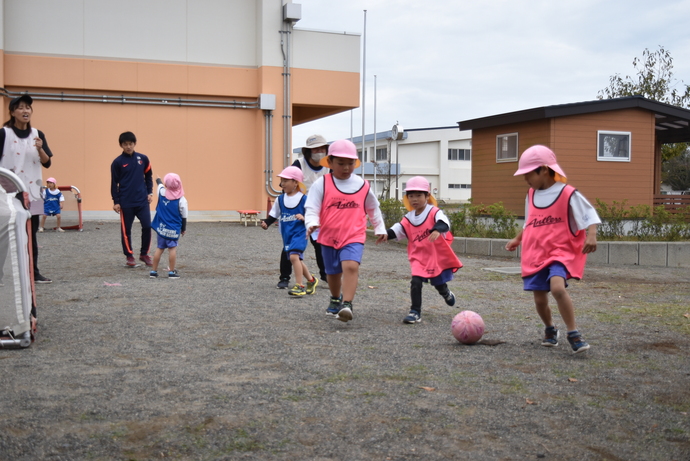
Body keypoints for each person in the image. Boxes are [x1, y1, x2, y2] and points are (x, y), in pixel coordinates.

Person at [505, 145, 600, 354]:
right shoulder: (530, 195)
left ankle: (573, 333)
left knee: (557, 288)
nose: (525, 179)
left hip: (559, 253)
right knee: (539, 299)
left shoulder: (568, 193)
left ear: (544, 170)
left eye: (528, 173)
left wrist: (591, 235)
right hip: (535, 253)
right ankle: (550, 329)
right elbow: (529, 223)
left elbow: (589, 214)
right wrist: (517, 239)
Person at [305, 139, 386, 322]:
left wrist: (380, 227)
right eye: (341, 163)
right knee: (332, 272)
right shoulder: (322, 184)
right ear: (330, 162)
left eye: (350, 163)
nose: (346, 167)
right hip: (328, 236)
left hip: (353, 235)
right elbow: (311, 208)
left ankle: (347, 304)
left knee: (350, 266)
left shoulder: (362, 185)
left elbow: (373, 208)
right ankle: (335, 298)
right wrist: (311, 223)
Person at [377, 176, 462, 324]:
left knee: (438, 283)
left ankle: (446, 292)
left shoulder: (434, 212)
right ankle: (415, 311)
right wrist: (385, 235)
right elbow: (398, 229)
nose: (414, 199)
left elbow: (444, 223)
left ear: (427, 196)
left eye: (418, 195)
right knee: (415, 282)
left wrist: (437, 230)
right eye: (411, 196)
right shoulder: (409, 217)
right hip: (418, 257)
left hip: (434, 256)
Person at [0, 94, 54, 284]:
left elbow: (47, 163)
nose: (25, 111)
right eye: (21, 107)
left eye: (28, 108)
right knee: (6, 233)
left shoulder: (38, 134)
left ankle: (33, 272)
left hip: (34, 194)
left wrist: (40, 148)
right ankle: (1, 273)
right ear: (13, 112)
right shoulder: (3, 134)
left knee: (31, 233)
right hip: (8, 193)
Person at [275, 134, 330, 289]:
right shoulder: (299, 164)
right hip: (298, 210)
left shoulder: (329, 165)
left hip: (319, 210)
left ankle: (325, 275)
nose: (319, 152)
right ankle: (284, 277)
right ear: (308, 151)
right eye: (315, 149)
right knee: (289, 246)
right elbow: (286, 183)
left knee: (319, 243)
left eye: (322, 148)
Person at [261, 166, 318, 296]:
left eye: (286, 180)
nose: (282, 183)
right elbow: (274, 214)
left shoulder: (304, 199)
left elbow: (312, 215)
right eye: (282, 180)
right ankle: (311, 280)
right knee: (297, 260)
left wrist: (304, 218)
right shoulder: (280, 199)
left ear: (296, 183)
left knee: (293, 257)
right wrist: (267, 223)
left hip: (300, 234)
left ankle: (300, 285)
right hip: (287, 235)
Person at [110, 131, 154, 267]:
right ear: (121, 145)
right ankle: (129, 256)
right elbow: (114, 183)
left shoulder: (143, 159)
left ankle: (144, 254)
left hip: (142, 201)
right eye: (125, 144)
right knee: (126, 230)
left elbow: (148, 176)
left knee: (147, 226)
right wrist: (116, 201)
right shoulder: (117, 162)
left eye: (130, 144)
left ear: (135, 144)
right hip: (126, 202)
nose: (128, 146)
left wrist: (150, 192)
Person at [149, 173, 187, 279]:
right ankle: (171, 272)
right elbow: (184, 216)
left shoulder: (161, 192)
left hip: (161, 228)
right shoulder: (182, 200)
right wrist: (183, 229)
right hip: (173, 229)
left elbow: (159, 185)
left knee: (159, 248)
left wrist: (158, 179)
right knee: (172, 249)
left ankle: (153, 271)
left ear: (166, 184)